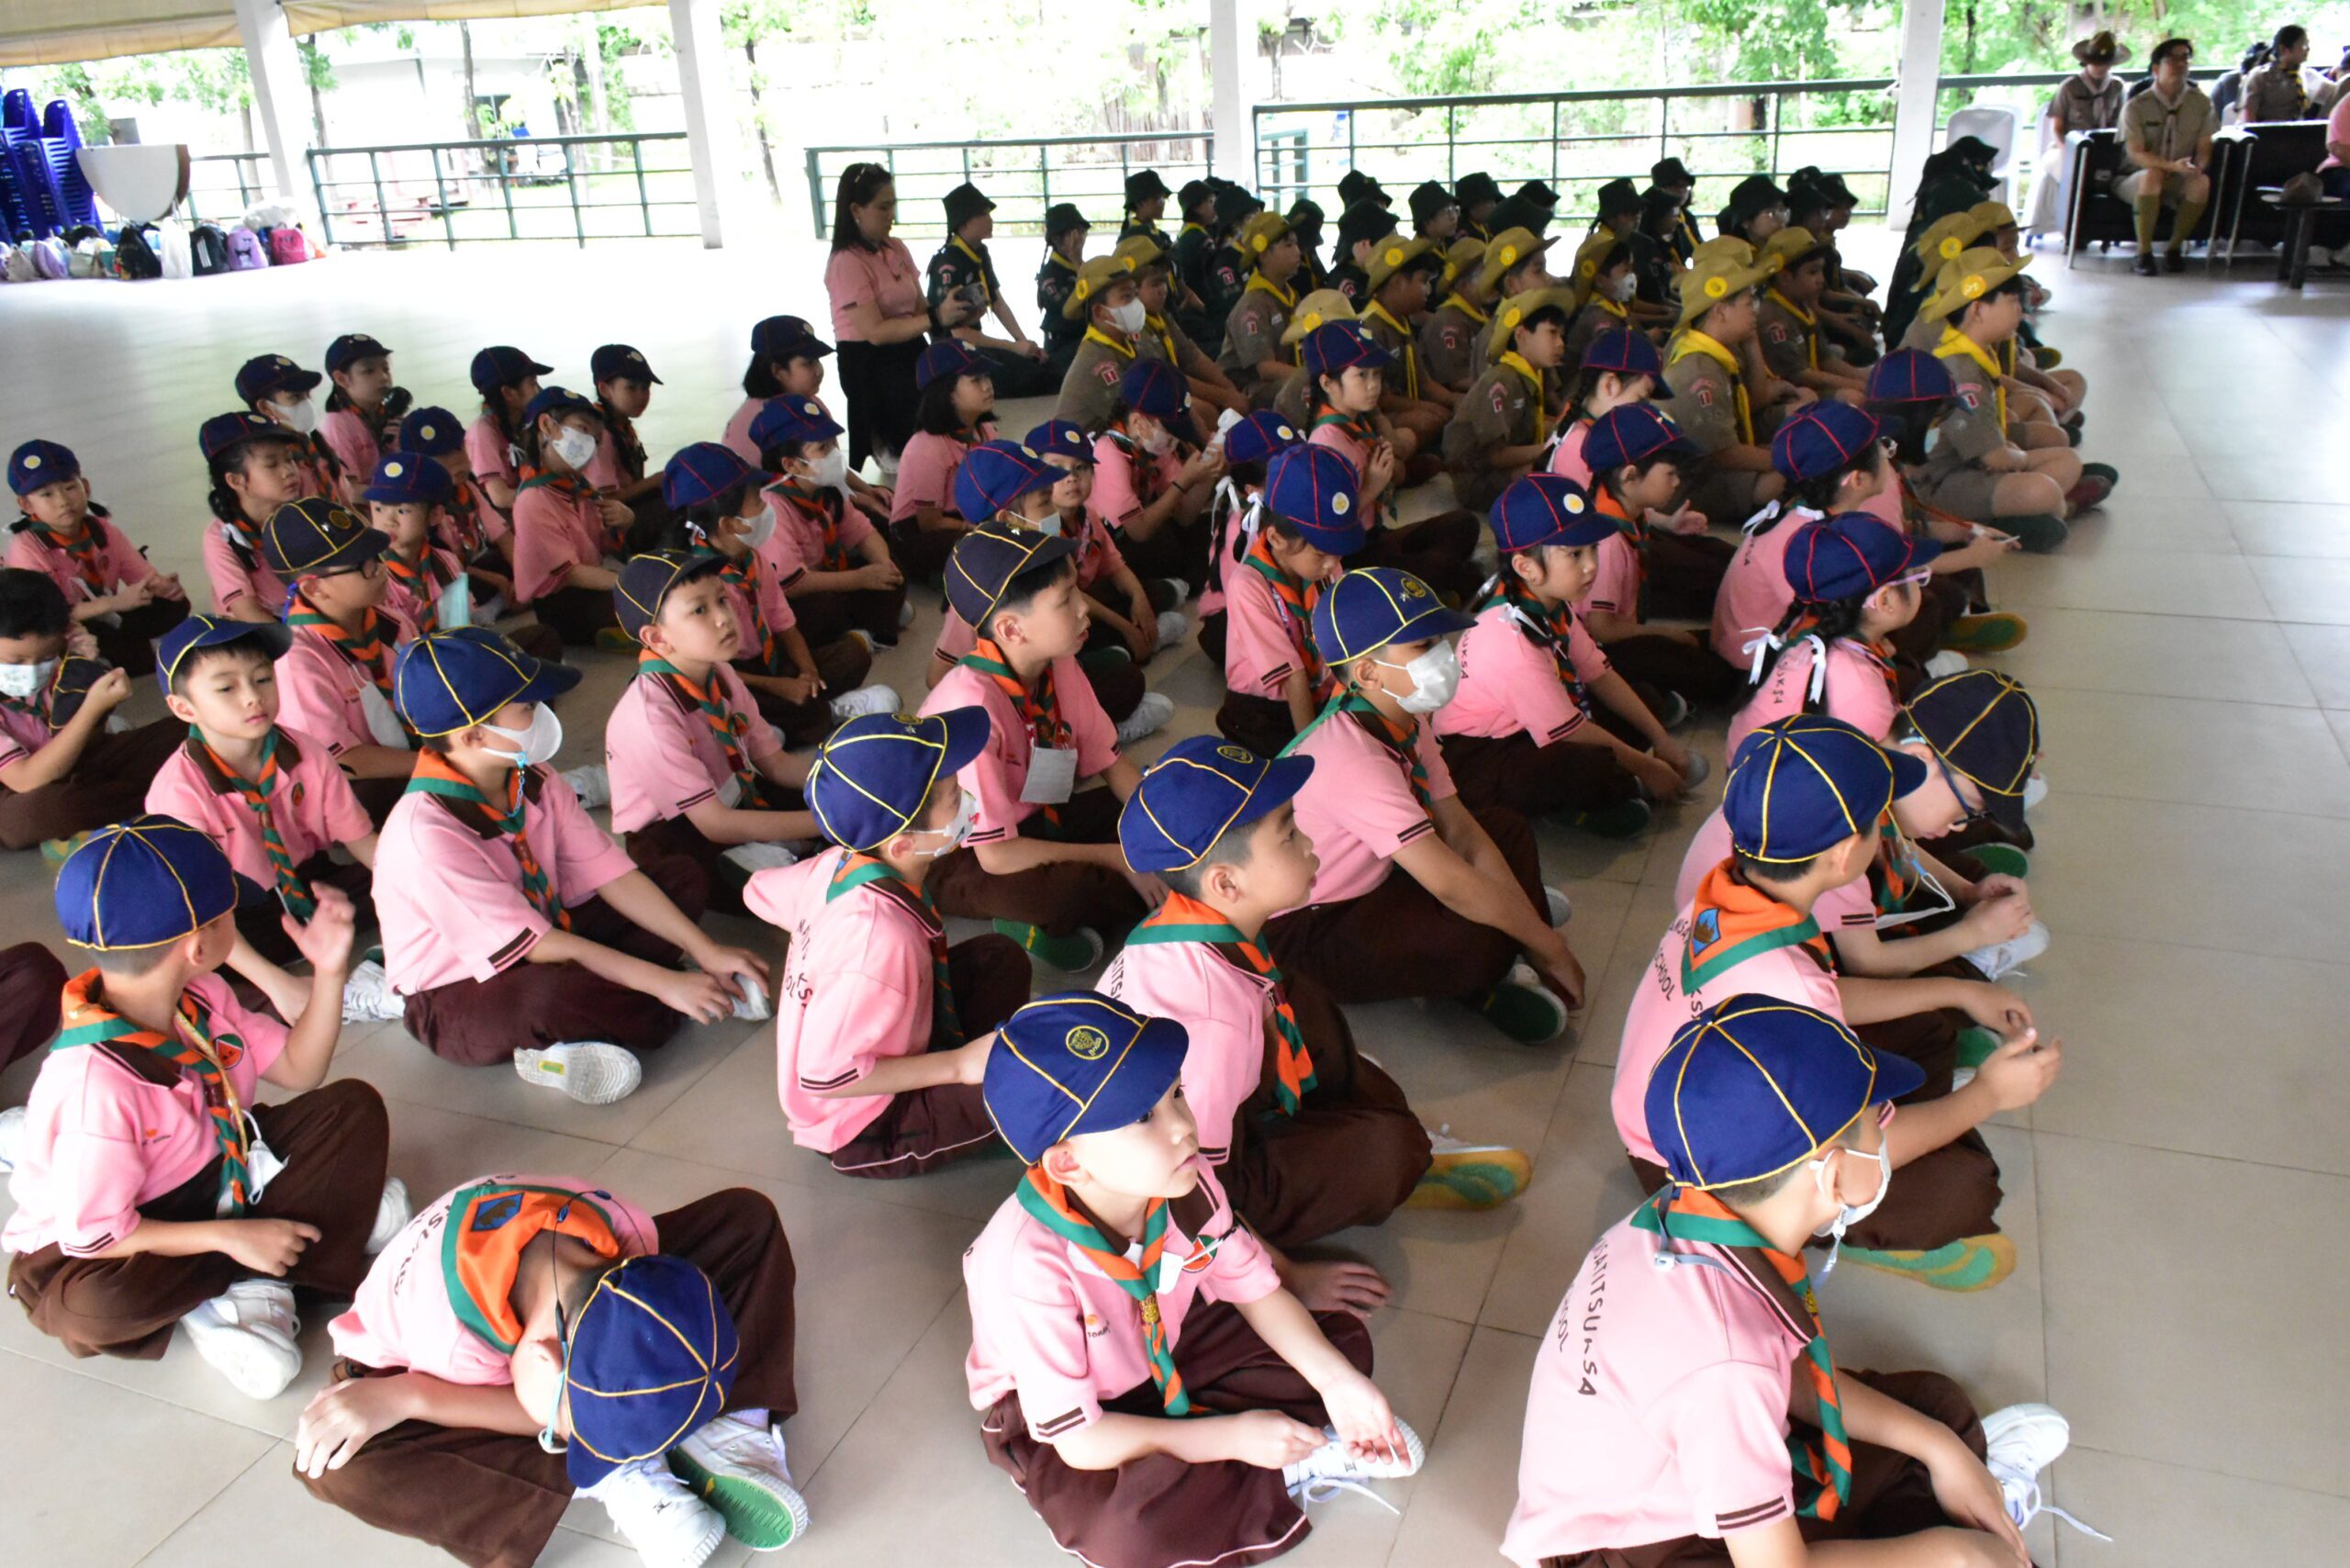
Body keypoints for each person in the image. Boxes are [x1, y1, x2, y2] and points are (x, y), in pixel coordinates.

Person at [1508, 991, 2080, 1567]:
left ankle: (1957, 1505)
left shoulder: (1683, 1213)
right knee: (1958, 1547)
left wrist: (1940, 1447)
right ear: (1833, 1176)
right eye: (1875, 1118)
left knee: (1938, 1416)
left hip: (1669, 1473)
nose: (1886, 1128)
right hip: (1622, 1551)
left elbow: (1790, 1379)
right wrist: (1961, 1558)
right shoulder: (1728, 1363)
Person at [963, 991, 1425, 1568]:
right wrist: (1234, 1437)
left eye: (1176, 1093)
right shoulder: (1027, 1269)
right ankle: (1278, 1461)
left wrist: (1336, 1384)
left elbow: (1255, 1290)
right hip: (1068, 1417)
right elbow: (1080, 1442)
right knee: (1125, 1535)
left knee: (1336, 1340)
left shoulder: (1183, 1179)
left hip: (1164, 1343)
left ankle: (1252, 1455)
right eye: (1143, 1118)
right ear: (1068, 1163)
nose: (1184, 1127)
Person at [1615, 716, 2053, 1288]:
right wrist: (1990, 1094)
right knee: (1965, 1188)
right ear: (1847, 855)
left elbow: (1821, 992)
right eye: (1878, 822)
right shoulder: (1783, 979)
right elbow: (1866, 1142)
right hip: (1691, 1172)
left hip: (1689, 1105)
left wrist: (1962, 991)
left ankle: (1928, 1107)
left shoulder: (1731, 887)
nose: (1887, 832)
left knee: (1927, 1026)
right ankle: (1817, 1231)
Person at [5, 816, 395, 1399]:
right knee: (98, 1306)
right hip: (103, 1244)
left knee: (353, 1108)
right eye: (229, 914)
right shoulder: (94, 1085)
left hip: (215, 1172)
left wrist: (331, 972)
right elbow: (99, 1235)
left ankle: (259, 1256)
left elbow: (300, 1068)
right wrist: (230, 1238)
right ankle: (246, 1281)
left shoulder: (202, 998)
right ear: (198, 946)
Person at [1111, 734, 1528, 1238]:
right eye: (1289, 835)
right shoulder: (1209, 1022)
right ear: (1226, 883)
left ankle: (1354, 1132)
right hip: (1188, 1178)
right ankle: (1387, 1158)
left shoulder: (1192, 923)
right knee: (1388, 1153)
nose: (1310, 844)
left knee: (1297, 1001)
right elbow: (1186, 1188)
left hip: (1218, 1106)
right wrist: (1283, 1273)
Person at [301, 1183, 805, 1564]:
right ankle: (626, 1471)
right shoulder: (450, 1341)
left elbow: (556, 1385)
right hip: (411, 1368)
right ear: (546, 1357)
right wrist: (410, 1396)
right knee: (338, 1463)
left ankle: (684, 1419)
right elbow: (513, 1403)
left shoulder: (623, 1230)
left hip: (519, 1322)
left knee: (747, 1218)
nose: (560, 1432)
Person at [375, 626, 767, 1100]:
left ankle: (618, 1008)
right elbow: (538, 947)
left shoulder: (531, 777)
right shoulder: (427, 836)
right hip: (463, 991)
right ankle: (633, 1015)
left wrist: (704, 950)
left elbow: (612, 875)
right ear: (474, 735)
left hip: (550, 925)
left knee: (681, 878)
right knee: (547, 997)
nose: (543, 714)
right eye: (527, 707)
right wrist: (666, 982)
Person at [1269, 566, 1586, 1045]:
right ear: (1368, 672)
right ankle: (1490, 971)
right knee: (1469, 937)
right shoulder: (1351, 758)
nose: (1444, 655)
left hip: (1376, 876)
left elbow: (1460, 829)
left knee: (1504, 829)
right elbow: (1450, 884)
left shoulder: (1404, 715)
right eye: (1422, 646)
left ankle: (1513, 929)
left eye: (1439, 640)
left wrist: (1536, 937)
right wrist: (1552, 947)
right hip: (1312, 927)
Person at [744, 707, 1034, 1177]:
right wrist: (958, 1065)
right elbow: (825, 1076)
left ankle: (972, 1084)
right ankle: (988, 1114)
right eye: (954, 797)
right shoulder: (876, 941)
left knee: (999, 959)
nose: (967, 801)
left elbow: (757, 891)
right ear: (901, 846)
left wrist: (820, 947)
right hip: (865, 1120)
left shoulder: (839, 862)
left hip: (894, 1030)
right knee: (1033, 1088)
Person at [919, 517, 1158, 971]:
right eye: (1066, 600)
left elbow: (1112, 762)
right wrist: (1116, 858)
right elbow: (996, 855)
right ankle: (1024, 924)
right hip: (963, 854)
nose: (1084, 609)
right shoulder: (971, 710)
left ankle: (1126, 885)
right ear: (1011, 630)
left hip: (1036, 813)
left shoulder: (1058, 661)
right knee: (1071, 891)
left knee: (1157, 805)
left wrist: (1166, 826)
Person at [144, 618, 392, 1007]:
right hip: (230, 913)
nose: (252, 697)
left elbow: (360, 840)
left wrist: (421, 895)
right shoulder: (178, 794)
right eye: (226, 688)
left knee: (393, 881)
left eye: (262, 679)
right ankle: (272, 982)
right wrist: (278, 985)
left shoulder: (306, 752)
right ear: (183, 707)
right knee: (189, 963)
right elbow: (198, 911)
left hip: (308, 883)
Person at [1438, 474, 1700, 837]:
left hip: (1534, 721)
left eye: (1592, 549)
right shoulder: (1509, 643)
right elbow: (1571, 732)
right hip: (1481, 753)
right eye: (1575, 554)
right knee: (1581, 768)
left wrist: (1662, 740)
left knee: (1643, 702)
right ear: (1527, 567)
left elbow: (1600, 674)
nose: (1591, 565)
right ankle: (1574, 807)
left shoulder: (1547, 602)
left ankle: (1618, 783)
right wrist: (1649, 767)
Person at [603, 550, 817, 903]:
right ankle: (782, 863)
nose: (723, 618)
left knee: (832, 797)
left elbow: (777, 764)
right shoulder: (649, 716)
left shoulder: (720, 672)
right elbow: (714, 824)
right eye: (699, 610)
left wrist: (847, 787)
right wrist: (826, 821)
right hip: (676, 829)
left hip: (732, 793)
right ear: (657, 638)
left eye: (722, 599)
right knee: (691, 877)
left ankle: (781, 856)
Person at [661, 442, 893, 746]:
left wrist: (807, 671)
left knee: (853, 656)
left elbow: (782, 621)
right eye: (758, 503)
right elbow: (709, 667)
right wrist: (778, 685)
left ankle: (783, 722)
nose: (766, 507)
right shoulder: (692, 584)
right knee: (729, 697)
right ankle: (822, 714)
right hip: (729, 672)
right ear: (729, 524)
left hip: (769, 657)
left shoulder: (751, 557)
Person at [254, 497, 420, 824]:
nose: (381, 570)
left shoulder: (390, 621)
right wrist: (438, 765)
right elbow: (343, 761)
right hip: (360, 779)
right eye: (364, 565)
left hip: (414, 752)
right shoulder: (297, 660)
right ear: (314, 588)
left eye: (377, 557)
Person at [1575, 401, 1746, 711]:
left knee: (1717, 642)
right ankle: (1647, 697)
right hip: (1602, 650)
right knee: (1719, 677)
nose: (1677, 482)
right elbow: (1601, 629)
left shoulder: (1624, 510)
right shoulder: (1607, 541)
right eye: (1670, 474)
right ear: (1630, 477)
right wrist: (1666, 633)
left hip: (1623, 628)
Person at [1918, 247, 2094, 544]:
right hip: (1938, 485)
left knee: (2067, 460)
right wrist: (2018, 459)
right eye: (2012, 302)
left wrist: (2011, 454)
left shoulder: (1971, 353)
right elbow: (1995, 458)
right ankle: (2039, 514)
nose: (2021, 312)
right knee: (2044, 490)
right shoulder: (1962, 373)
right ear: (1977, 310)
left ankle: (2030, 513)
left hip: (1968, 465)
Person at [1297, 320, 1482, 602]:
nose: (1373, 385)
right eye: (1361, 375)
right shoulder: (1326, 443)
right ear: (1328, 383)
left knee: (1463, 523)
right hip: (1353, 557)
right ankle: (1434, 590)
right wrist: (1372, 487)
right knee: (1450, 569)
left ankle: (1435, 590)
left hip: (1377, 535)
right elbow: (1326, 531)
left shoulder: (1356, 421)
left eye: (1377, 374)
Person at [0, 569, 182, 853]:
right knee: (52, 811)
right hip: (19, 791)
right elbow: (25, 779)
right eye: (16, 660)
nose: (32, 670)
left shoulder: (64, 656)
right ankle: (167, 788)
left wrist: (83, 668)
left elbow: (91, 740)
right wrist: (90, 708)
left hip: (81, 761)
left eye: (45, 657)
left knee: (187, 732)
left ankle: (145, 788)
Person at [1728, 513, 1938, 759]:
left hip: (1752, 774)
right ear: (1885, 600)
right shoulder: (1860, 688)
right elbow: (1891, 769)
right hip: (1809, 781)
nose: (1920, 585)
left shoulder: (1802, 625)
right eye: (1917, 577)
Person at [1710, 398, 1889, 674]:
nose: (1888, 455)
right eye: (1884, 448)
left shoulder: (1801, 516)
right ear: (1857, 479)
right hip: (1756, 671)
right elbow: (1832, 620)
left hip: (1753, 652)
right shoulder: (1807, 541)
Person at [825, 162, 976, 477]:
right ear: (856, 210)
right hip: (870, 362)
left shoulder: (896, 248)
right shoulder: (845, 262)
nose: (891, 215)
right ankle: (893, 444)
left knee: (963, 386)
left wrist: (953, 312)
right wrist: (936, 317)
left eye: (893, 205)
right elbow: (876, 332)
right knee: (922, 431)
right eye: (883, 207)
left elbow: (920, 306)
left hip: (908, 346)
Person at [1216, 443, 1360, 758]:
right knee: (1306, 770)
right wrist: (1314, 752)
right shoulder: (1247, 586)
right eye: (1321, 554)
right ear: (1276, 539)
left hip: (1319, 690)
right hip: (1265, 710)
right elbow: (1292, 677)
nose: (1333, 563)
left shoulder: (1322, 567)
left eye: (1337, 552)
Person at [7, 439, 189, 673]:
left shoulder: (102, 529)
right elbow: (46, 615)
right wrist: (115, 603)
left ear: (85, 486)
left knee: (172, 603)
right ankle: (119, 657)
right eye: (46, 494)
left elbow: (140, 574)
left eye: (70, 487)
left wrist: (161, 586)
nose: (63, 501)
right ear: (26, 504)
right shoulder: (26, 549)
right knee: (83, 645)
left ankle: (130, 653)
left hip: (106, 614)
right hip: (62, 627)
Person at [750, 394, 910, 650]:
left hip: (827, 572)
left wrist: (883, 565)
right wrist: (859, 579)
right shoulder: (772, 506)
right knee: (821, 608)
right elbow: (793, 583)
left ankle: (868, 624)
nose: (835, 453)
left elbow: (862, 532)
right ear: (792, 464)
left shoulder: (825, 488)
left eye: (833, 443)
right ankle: (856, 629)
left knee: (891, 567)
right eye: (823, 448)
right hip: (796, 592)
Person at [1029, 417, 1188, 663]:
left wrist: (1139, 598)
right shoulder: (1041, 528)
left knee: (1155, 592)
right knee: (1090, 640)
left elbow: (1114, 565)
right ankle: (1136, 642)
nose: (1071, 477)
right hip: (1067, 612)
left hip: (1095, 597)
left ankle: (1140, 635)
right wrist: (1126, 628)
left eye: (1081, 467)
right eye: (1057, 469)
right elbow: (1071, 595)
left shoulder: (1088, 515)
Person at [1660, 245, 1787, 525]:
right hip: (1683, 485)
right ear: (1720, 311)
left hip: (1704, 466)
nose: (1755, 310)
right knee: (1779, 478)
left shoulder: (1711, 351)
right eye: (1748, 303)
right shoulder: (1699, 371)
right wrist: (1786, 459)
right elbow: (1723, 454)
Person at [507, 386, 638, 646]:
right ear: (547, 426)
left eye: (597, 440)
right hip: (563, 603)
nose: (590, 444)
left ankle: (621, 629)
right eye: (582, 429)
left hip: (589, 584)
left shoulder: (578, 487)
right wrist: (629, 583)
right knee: (646, 601)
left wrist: (625, 521)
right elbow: (571, 574)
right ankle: (615, 631)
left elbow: (600, 547)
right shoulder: (533, 499)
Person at [1092, 359, 1224, 591]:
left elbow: (1184, 516)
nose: (1175, 439)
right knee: (1165, 548)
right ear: (1138, 422)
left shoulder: (1154, 446)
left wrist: (1207, 472)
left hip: (1148, 530)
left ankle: (1182, 582)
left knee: (1214, 526)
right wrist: (1183, 482)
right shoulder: (1108, 452)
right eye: (1169, 430)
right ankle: (1166, 588)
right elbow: (1139, 531)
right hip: (1115, 542)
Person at [1443, 286, 1575, 516]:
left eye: (1561, 335)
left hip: (1498, 469)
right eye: (1552, 333)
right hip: (1478, 480)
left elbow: (1531, 424)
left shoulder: (1529, 373)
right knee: (1557, 467)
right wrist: (1551, 447)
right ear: (1521, 334)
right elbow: (1496, 456)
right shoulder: (1503, 380)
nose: (1560, 343)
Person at [926, 180, 1059, 398]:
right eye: (983, 215)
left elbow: (997, 302)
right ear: (964, 223)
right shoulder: (949, 263)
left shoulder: (979, 253)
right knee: (1031, 379)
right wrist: (1012, 347)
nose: (990, 220)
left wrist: (1023, 342)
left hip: (975, 343)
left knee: (1045, 367)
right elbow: (958, 333)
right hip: (955, 351)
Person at [889, 339, 1001, 582]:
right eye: (976, 380)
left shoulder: (986, 431)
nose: (987, 386)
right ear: (948, 394)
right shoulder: (928, 446)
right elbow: (929, 522)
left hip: (964, 514)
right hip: (918, 530)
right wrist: (972, 527)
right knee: (983, 548)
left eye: (986, 377)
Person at [393, 405, 520, 614]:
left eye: (458, 448)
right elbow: (441, 564)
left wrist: (521, 578)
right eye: (441, 456)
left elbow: (503, 536)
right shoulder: (421, 508)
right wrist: (497, 580)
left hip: (481, 570)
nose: (457, 461)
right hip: (451, 581)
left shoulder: (467, 489)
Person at [1119, 233, 1249, 421]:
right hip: (1146, 402)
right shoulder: (1135, 328)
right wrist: (1224, 397)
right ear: (1133, 290)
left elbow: (1193, 358)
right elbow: (1169, 379)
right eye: (1155, 284)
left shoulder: (1161, 316)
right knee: (1208, 411)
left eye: (1164, 282)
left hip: (1171, 388)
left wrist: (1230, 390)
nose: (1163, 290)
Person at [2120, 38, 2217, 274]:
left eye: (2185, 58)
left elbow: (2205, 147)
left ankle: (2173, 249)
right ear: (2156, 69)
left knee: (2201, 182)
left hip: (2180, 174)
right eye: (2172, 59)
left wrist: (2197, 167)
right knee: (2152, 175)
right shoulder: (2136, 106)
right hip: (2136, 178)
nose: (2180, 64)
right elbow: (2136, 153)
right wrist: (2170, 166)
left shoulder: (2201, 103)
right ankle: (2143, 254)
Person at [197, 413, 305, 623]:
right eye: (272, 465)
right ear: (236, 480)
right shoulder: (222, 538)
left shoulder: (303, 514)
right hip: (268, 632)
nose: (288, 471)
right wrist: (303, 641)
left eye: (289, 459)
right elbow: (248, 612)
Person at [1756, 227, 1871, 403]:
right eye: (1812, 272)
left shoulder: (1801, 304)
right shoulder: (1773, 317)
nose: (1821, 280)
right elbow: (1800, 375)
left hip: (1810, 384)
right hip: (1790, 395)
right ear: (1785, 278)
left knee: (1869, 377)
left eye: (1821, 271)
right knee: (1854, 397)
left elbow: (1825, 358)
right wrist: (1856, 385)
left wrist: (1863, 379)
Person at [1054, 252, 1153, 431]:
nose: (1136, 304)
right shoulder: (1097, 359)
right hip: (1084, 447)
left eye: (1135, 294)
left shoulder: (1124, 343)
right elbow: (1135, 421)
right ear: (1100, 312)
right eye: (1126, 296)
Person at [585, 342, 673, 542]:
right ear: (605, 389)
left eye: (645, 388)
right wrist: (655, 481)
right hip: (612, 525)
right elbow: (605, 500)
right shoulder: (601, 435)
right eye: (631, 388)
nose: (641, 396)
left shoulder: (621, 426)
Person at [1216, 210, 1307, 398]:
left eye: (1296, 244)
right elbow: (1265, 368)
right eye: (1288, 245)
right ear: (1264, 254)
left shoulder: (1289, 295)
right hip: (1252, 391)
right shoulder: (1253, 305)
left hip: (1284, 382)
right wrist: (1309, 377)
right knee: (1309, 392)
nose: (1297, 252)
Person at [464, 344, 549, 531]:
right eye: (533, 384)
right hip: (512, 531)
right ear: (508, 393)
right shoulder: (483, 432)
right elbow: (500, 497)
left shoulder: (526, 422)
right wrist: (553, 499)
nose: (540, 391)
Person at [234, 353, 341, 499]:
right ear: (265, 407)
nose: (307, 404)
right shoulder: (271, 466)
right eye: (295, 397)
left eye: (307, 395)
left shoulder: (312, 445)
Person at [318, 333, 397, 501]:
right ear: (342, 379)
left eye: (386, 369)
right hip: (367, 511)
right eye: (369, 371)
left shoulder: (389, 416)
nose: (383, 377)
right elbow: (350, 491)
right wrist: (398, 496)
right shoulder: (337, 424)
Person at [1037, 202, 1092, 375]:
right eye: (1072, 234)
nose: (1079, 239)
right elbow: (1071, 308)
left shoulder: (1084, 266)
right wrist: (1075, 258)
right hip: (1063, 346)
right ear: (1056, 239)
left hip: (1085, 338)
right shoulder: (1050, 274)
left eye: (1082, 232)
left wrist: (1078, 261)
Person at [2242, 25, 2315, 121]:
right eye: (2303, 45)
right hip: (2269, 128)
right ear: (2284, 49)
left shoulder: (2303, 74)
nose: (2308, 49)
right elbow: (2249, 114)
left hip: (2298, 127)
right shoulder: (2261, 76)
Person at [1121, 167, 1173, 244]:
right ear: (1140, 203)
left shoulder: (1159, 236)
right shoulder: (1133, 239)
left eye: (1164, 198)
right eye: (1158, 199)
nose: (1163, 203)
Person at [1456, 170, 1503, 240]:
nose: (1494, 206)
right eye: (1489, 202)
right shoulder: (1463, 234)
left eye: (1494, 202)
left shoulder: (1484, 226)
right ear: (1472, 204)